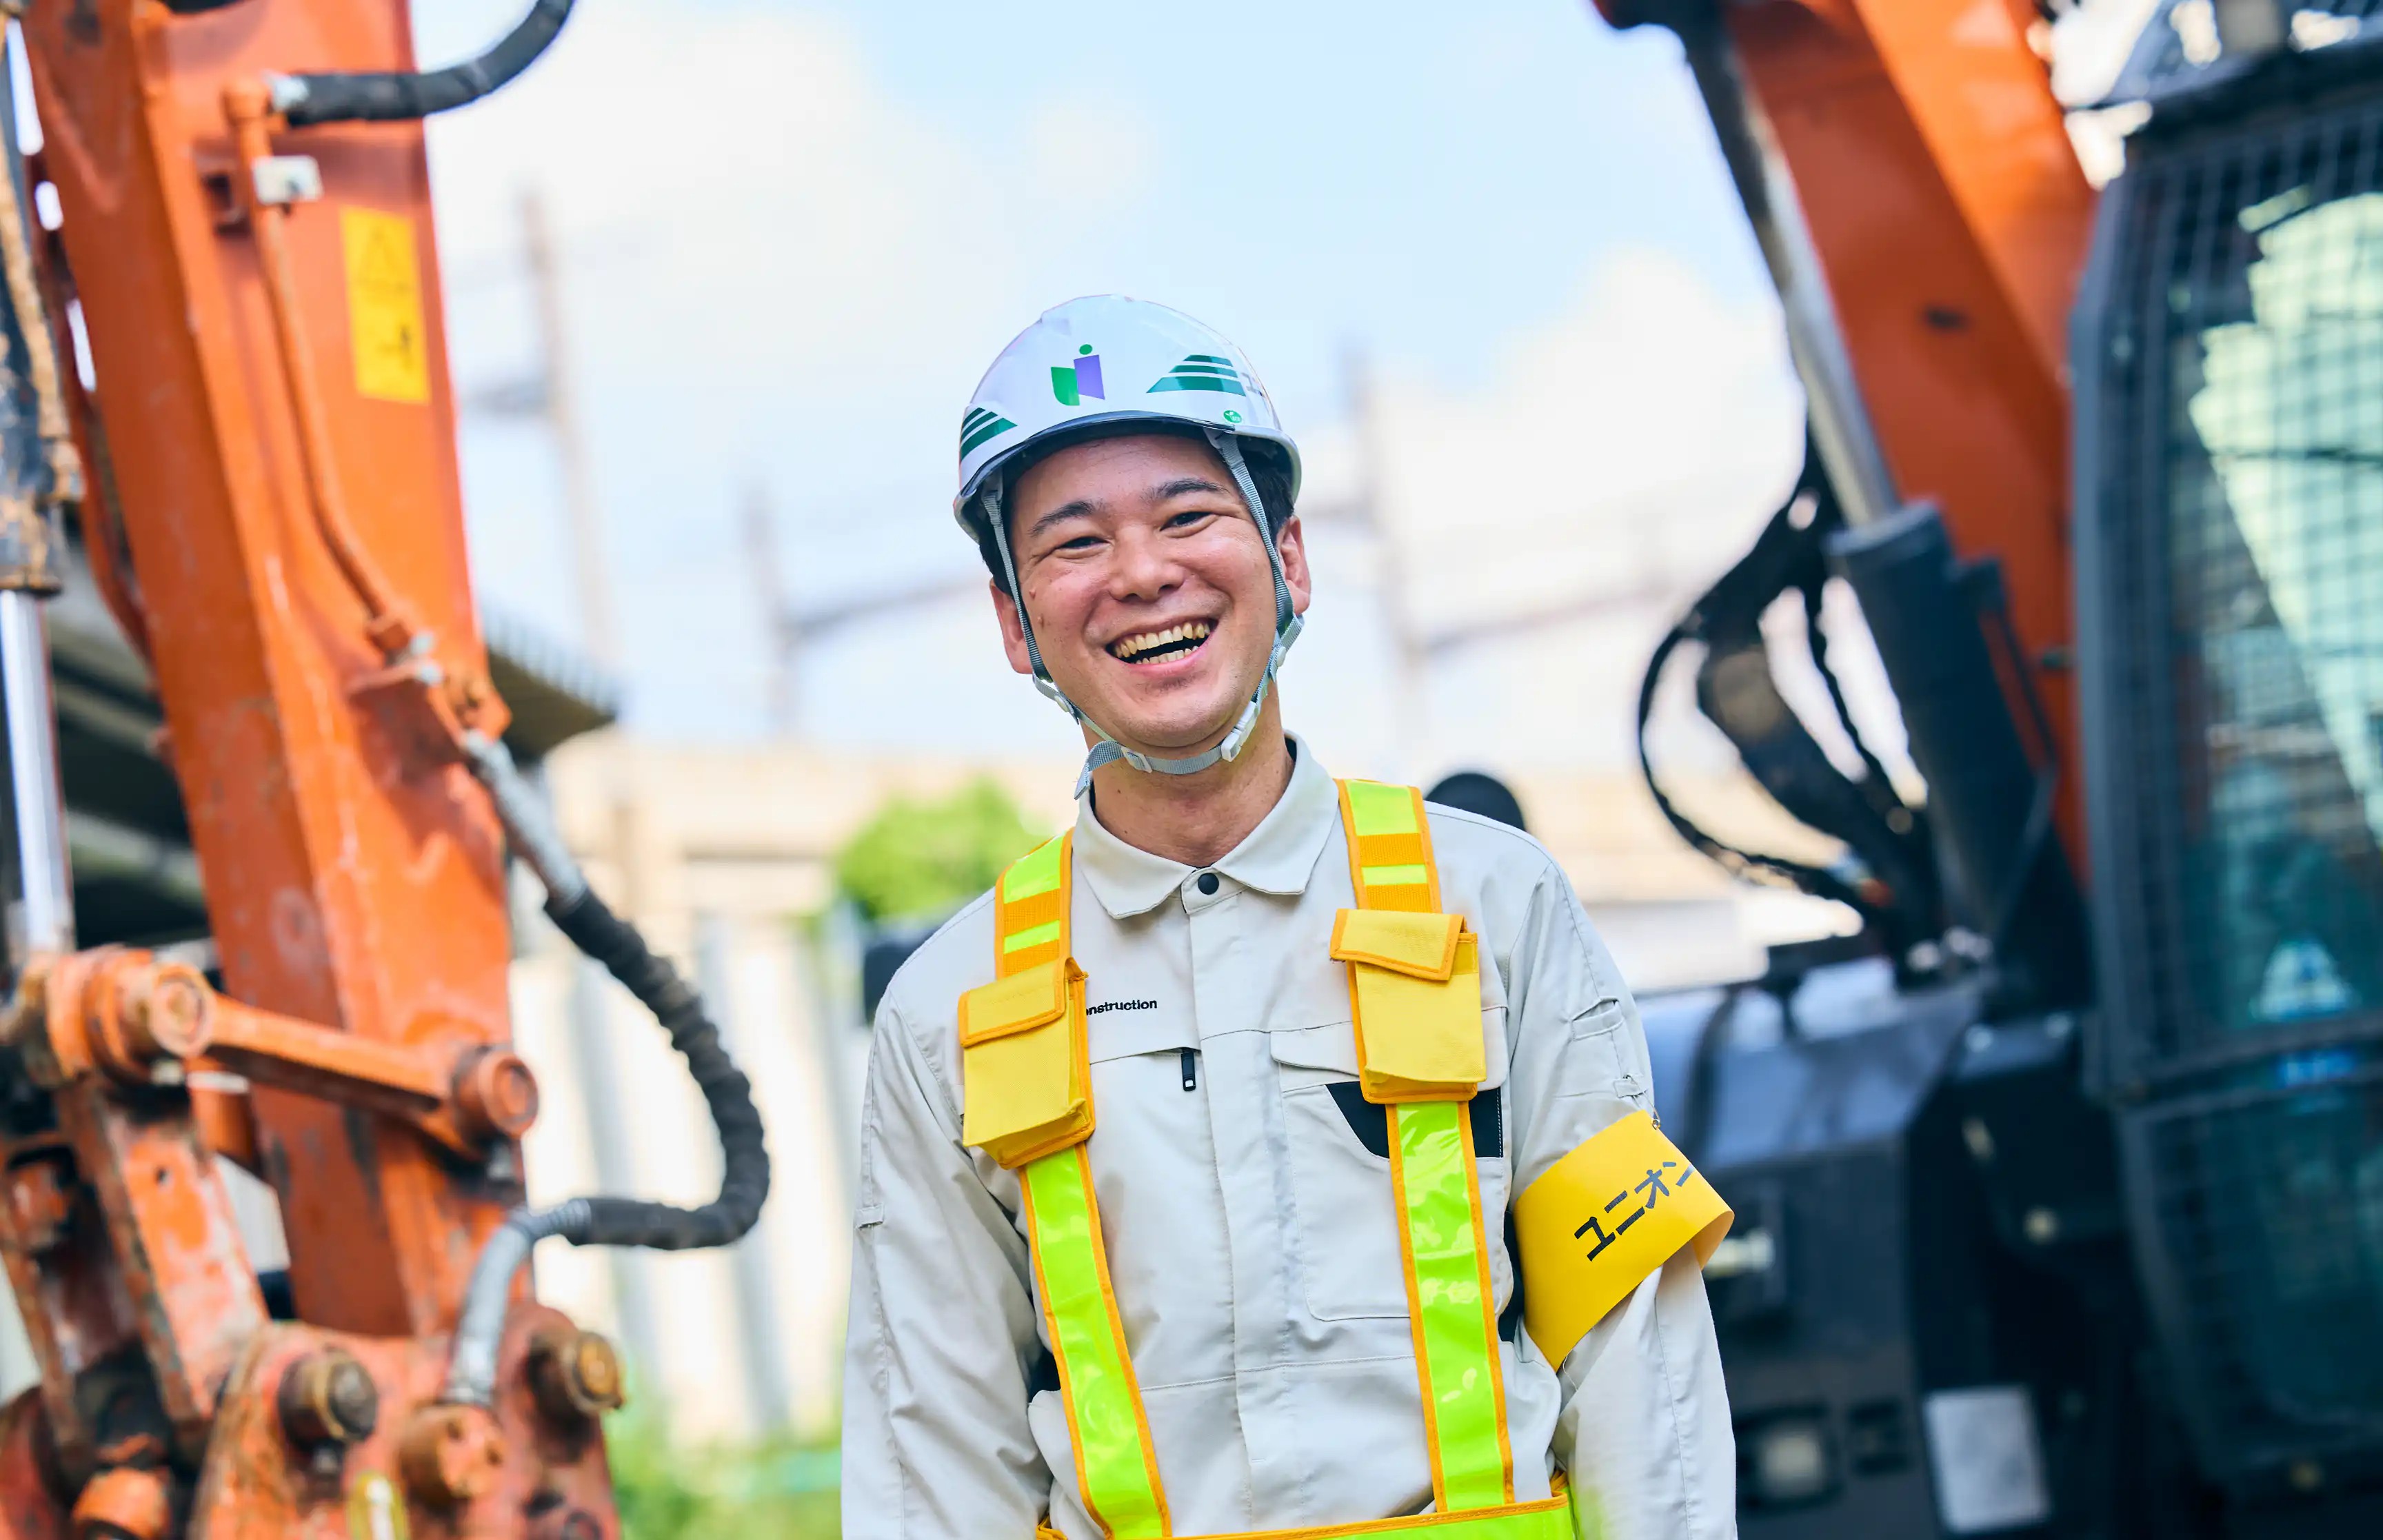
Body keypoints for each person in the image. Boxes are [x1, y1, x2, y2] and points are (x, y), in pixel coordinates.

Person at [843, 296, 1736, 1540]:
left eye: (1189, 513)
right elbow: (927, 1451)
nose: (1143, 572)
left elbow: (1639, 1358)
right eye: (1073, 542)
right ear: (1014, 622)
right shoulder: (950, 1010)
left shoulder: (1496, 906)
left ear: (1290, 558)